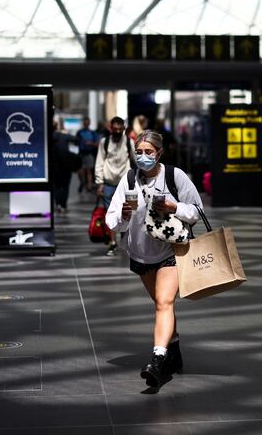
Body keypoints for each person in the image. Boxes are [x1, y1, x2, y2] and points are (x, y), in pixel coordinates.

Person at [105, 130, 202, 387]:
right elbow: (111, 221)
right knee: (162, 304)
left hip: (170, 250)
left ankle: (158, 361)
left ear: (159, 153)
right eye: (139, 152)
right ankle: (174, 351)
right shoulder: (128, 180)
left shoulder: (174, 176)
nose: (143, 157)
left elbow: (197, 211)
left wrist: (174, 207)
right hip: (141, 253)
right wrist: (124, 215)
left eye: (149, 152)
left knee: (163, 302)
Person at [95, 117, 135, 256]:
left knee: (127, 212)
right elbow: (100, 162)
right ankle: (112, 242)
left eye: (120, 129)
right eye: (115, 129)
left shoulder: (129, 142)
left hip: (125, 184)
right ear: (110, 129)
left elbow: (135, 161)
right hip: (108, 184)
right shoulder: (104, 142)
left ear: (124, 128)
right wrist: (99, 182)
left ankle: (125, 240)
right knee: (109, 214)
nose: (117, 131)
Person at [53, 121, 80, 215]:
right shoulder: (64, 136)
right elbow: (77, 140)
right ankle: (63, 205)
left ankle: (58, 204)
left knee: (57, 186)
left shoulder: (51, 136)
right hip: (66, 165)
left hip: (55, 166)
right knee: (65, 186)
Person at [76, 117, 98, 194]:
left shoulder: (92, 133)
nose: (86, 124)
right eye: (85, 123)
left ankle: (89, 186)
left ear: (89, 123)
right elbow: (76, 141)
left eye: (87, 123)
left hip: (89, 153)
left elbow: (97, 144)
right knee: (80, 170)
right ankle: (83, 182)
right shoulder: (79, 132)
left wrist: (90, 143)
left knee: (89, 171)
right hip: (81, 154)